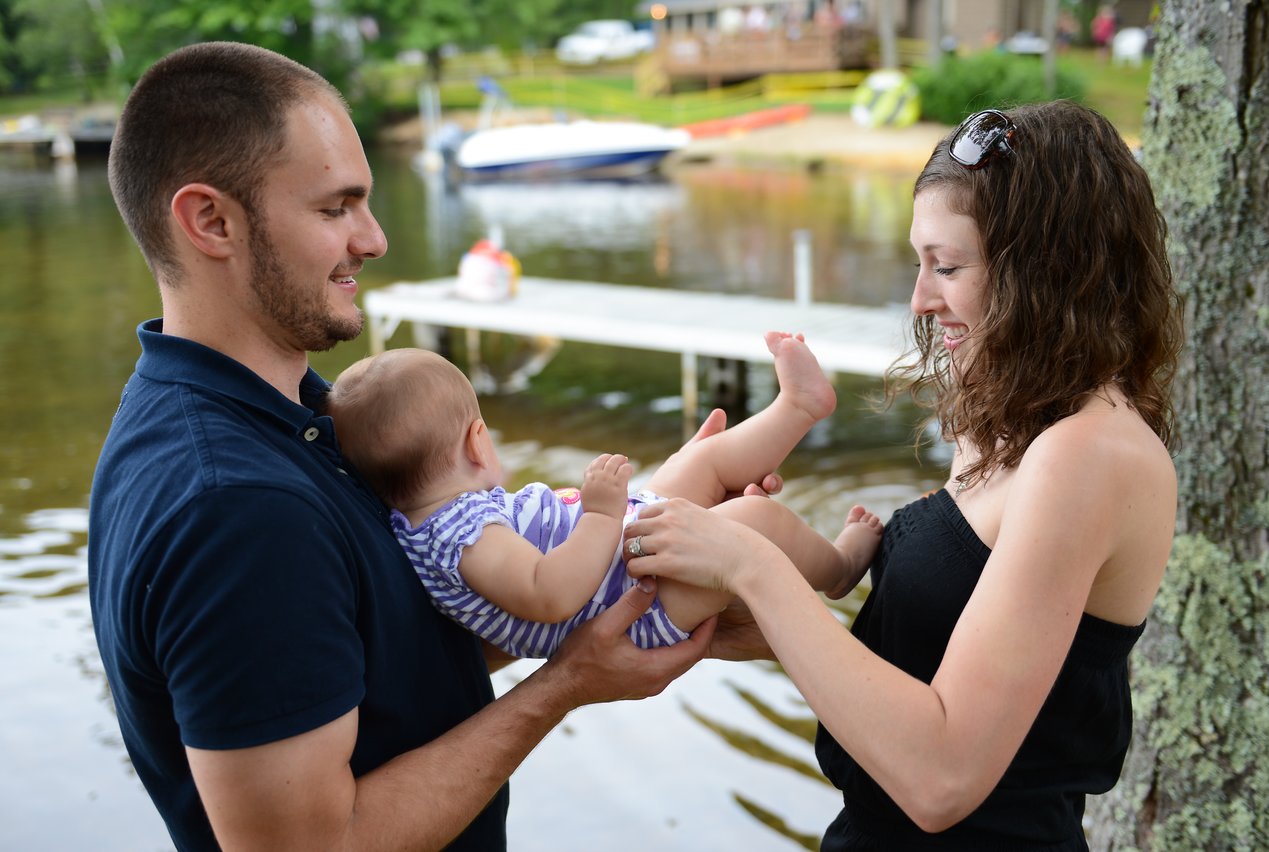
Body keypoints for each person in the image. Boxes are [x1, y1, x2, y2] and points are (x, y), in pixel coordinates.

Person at [86, 41, 774, 852]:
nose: (373, 239)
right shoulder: (237, 508)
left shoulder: (273, 412)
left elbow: (368, 655)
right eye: (335, 208)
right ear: (212, 221)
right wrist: (566, 683)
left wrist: (625, 554)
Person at [621, 100, 1183, 849]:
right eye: (919, 263)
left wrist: (755, 567)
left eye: (947, 266)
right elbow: (941, 668)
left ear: (1049, 271)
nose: (920, 299)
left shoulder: (1089, 454)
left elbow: (942, 777)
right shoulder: (1017, 424)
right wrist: (772, 621)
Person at [327, 337, 883, 658]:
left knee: (701, 460)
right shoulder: (461, 535)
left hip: (627, 555)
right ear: (478, 441)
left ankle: (798, 406)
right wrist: (600, 512)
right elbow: (550, 594)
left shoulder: (423, 520)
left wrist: (623, 513)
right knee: (750, 519)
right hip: (637, 603)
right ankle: (838, 569)